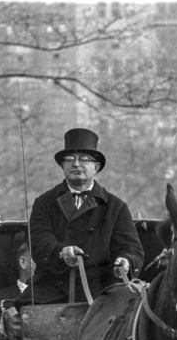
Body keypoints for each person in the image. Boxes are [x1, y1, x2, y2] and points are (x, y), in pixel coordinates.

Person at [17, 128, 144, 305]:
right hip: (53, 287)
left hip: (102, 288)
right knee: (27, 314)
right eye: (69, 159)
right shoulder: (44, 202)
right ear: (62, 166)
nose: (76, 164)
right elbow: (38, 241)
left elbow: (132, 249)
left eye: (84, 159)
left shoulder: (116, 207)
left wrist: (126, 261)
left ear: (96, 167)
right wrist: (61, 252)